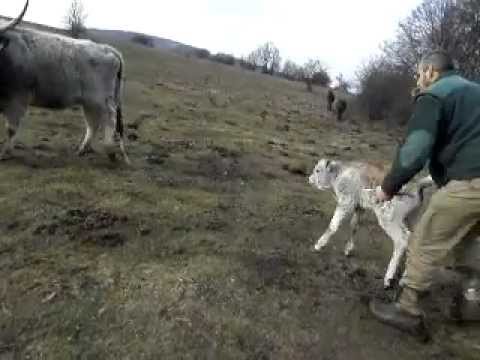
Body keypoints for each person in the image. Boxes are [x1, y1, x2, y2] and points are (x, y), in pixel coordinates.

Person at [370, 49, 480, 336]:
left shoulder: (436, 94)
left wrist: (388, 187)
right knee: (469, 242)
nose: (418, 80)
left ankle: (407, 309)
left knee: (424, 239)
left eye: (419, 74)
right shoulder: (473, 91)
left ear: (431, 71)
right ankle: (472, 303)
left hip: (471, 182)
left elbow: (417, 148)